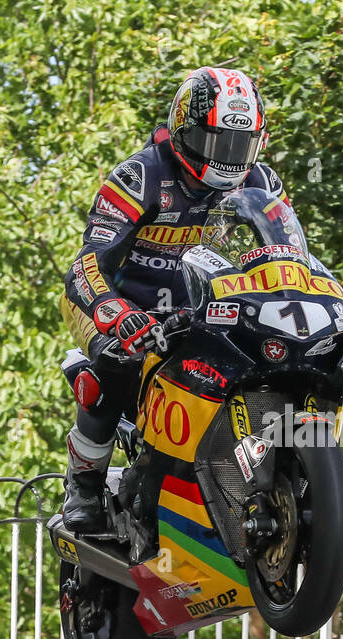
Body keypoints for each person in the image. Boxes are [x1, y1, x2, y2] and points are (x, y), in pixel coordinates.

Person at [57, 67, 289, 533]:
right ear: (184, 131)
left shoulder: (262, 181)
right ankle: (83, 485)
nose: (228, 157)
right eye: (216, 141)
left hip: (208, 308)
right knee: (116, 362)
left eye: (238, 145)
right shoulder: (139, 175)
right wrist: (116, 314)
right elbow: (85, 265)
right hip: (115, 302)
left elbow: (289, 256)